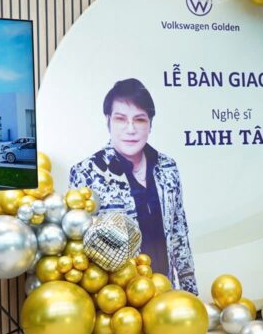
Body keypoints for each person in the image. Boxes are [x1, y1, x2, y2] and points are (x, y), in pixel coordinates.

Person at [68, 78, 197, 294]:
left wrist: (189, 293)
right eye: (120, 119)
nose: (131, 129)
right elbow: (79, 248)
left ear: (150, 124)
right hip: (119, 298)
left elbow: (179, 232)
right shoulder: (86, 172)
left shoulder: (167, 167)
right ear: (108, 121)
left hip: (165, 293)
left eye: (139, 120)